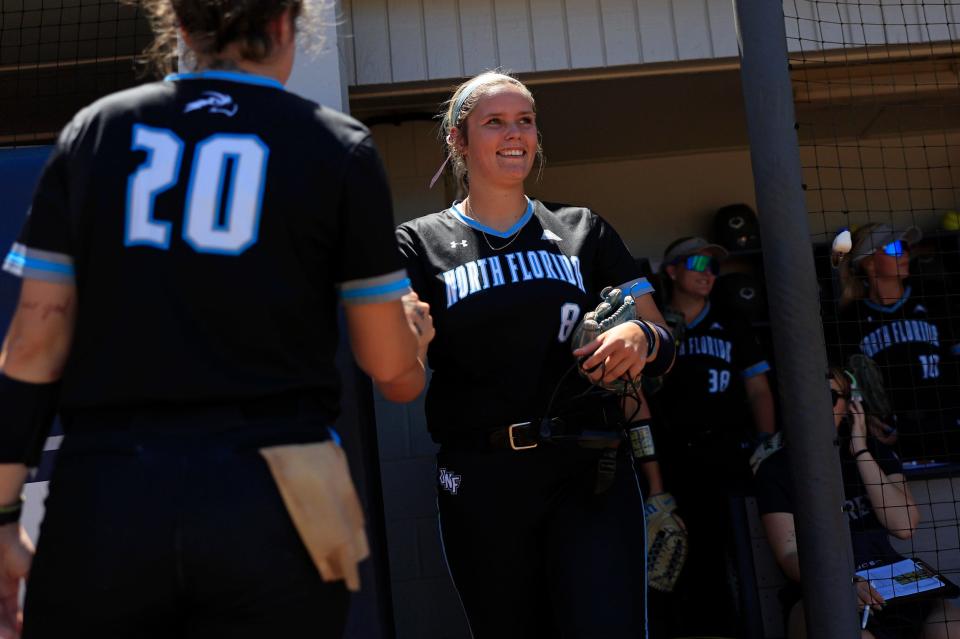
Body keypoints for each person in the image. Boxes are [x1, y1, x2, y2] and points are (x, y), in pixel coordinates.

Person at [0, 0, 433, 636]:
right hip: (281, 497)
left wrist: (4, 517)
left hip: (110, 490)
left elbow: (34, 342)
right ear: (289, 23)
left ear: (177, 28)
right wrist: (413, 340)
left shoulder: (96, 131)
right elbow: (388, 366)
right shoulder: (335, 143)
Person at [395, 71, 676, 638]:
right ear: (458, 139)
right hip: (481, 478)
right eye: (494, 122)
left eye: (524, 120)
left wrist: (641, 338)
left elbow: (664, 340)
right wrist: (406, 344)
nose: (513, 133)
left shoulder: (582, 230)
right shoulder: (416, 243)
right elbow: (400, 374)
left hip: (586, 468)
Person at [755, 367, 960, 639]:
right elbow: (789, 554)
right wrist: (841, 584)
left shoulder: (874, 453)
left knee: (951, 628)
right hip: (825, 594)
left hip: (893, 586)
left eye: (827, 396)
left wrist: (861, 451)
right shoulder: (776, 469)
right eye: (806, 395)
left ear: (850, 404)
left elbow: (904, 525)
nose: (816, 403)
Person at [647, 235, 776, 637]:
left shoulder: (731, 322)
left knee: (729, 551)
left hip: (726, 454)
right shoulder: (655, 327)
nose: (709, 275)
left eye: (714, 268)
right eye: (699, 265)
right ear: (672, 271)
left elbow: (758, 389)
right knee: (673, 556)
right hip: (672, 458)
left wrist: (766, 442)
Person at [832, 223, 960, 463]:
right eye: (894, 248)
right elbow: (846, 386)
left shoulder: (936, 296)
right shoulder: (849, 321)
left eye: (905, 247)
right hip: (894, 441)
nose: (905, 253)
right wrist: (864, 417)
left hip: (949, 428)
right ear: (869, 262)